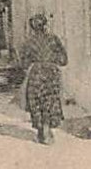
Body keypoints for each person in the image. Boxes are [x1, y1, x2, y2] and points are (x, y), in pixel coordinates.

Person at [17, 13, 68, 144]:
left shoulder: (28, 42)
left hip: (37, 74)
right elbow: (64, 60)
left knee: (36, 101)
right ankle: (47, 128)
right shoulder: (54, 39)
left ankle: (41, 129)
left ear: (32, 27)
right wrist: (52, 60)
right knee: (50, 101)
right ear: (45, 25)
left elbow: (23, 63)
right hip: (52, 73)